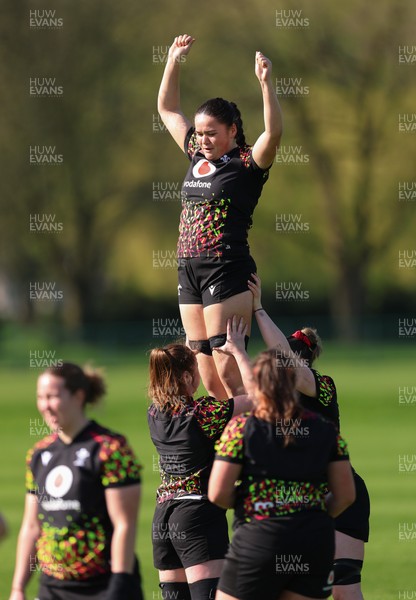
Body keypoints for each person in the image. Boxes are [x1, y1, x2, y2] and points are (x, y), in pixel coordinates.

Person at [157, 33, 283, 400]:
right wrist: (173, 60)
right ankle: (224, 453)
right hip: (188, 270)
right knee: (206, 377)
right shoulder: (197, 155)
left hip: (226, 267)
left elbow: (274, 133)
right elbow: (167, 109)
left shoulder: (248, 163)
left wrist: (265, 84)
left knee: (231, 370)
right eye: (199, 134)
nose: (203, 140)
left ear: (232, 130)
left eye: (212, 133)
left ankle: (256, 447)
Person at [208, 325, 356, 600]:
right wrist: (313, 513)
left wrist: (246, 502)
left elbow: (217, 493)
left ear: (259, 383)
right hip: (314, 540)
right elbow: (346, 495)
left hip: (260, 537)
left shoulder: (242, 428)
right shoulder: (325, 430)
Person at [248, 273, 370, 600]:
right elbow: (247, 387)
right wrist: (231, 349)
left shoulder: (321, 384)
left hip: (341, 491)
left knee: (345, 589)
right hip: (302, 501)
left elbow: (289, 366)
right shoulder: (276, 397)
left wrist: (259, 309)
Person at [9, 362, 144, 600]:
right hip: (53, 587)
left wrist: (120, 584)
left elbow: (124, 524)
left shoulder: (109, 448)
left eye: (52, 396)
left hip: (102, 585)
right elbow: (31, 527)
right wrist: (18, 587)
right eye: (40, 397)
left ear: (78, 396)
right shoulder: (39, 454)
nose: (45, 406)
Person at [147, 329, 255, 600]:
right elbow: (257, 400)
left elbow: (172, 370)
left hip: (163, 519)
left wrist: (192, 338)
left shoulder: (154, 413)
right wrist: (239, 351)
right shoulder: (204, 413)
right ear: (185, 377)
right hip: (196, 516)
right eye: (194, 370)